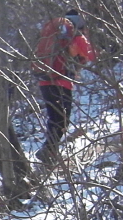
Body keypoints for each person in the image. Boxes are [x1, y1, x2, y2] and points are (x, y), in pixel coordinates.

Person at [33, 10, 97, 162]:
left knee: (54, 118)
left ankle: (49, 151)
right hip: (62, 81)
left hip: (44, 80)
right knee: (62, 120)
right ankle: (48, 150)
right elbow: (91, 55)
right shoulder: (75, 35)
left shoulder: (53, 34)